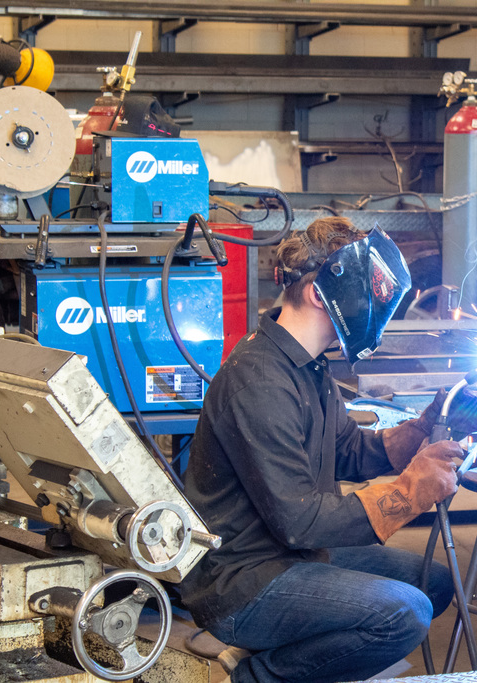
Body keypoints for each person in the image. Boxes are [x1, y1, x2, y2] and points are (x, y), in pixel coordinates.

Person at [179, 216, 461, 683]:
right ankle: (255, 677)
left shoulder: (308, 366)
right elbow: (301, 521)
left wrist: (423, 427)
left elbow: (347, 450)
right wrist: (410, 493)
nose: (373, 304)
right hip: (243, 580)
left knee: (432, 580)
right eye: (365, 290)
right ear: (317, 292)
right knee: (403, 612)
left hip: (295, 557)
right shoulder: (260, 380)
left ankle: (297, 661)